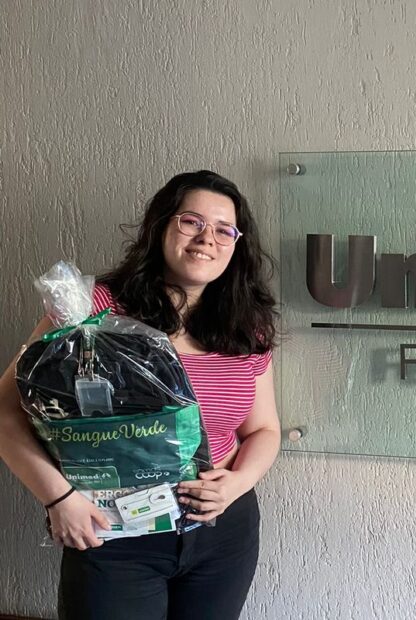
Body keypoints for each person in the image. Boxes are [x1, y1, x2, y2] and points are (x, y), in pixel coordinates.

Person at [0, 170, 281, 619]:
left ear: (236, 244)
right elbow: (6, 412)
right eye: (191, 221)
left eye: (224, 229)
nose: (207, 239)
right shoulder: (89, 308)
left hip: (222, 533)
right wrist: (58, 499)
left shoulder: (248, 325)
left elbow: (264, 429)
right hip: (114, 534)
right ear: (160, 225)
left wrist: (237, 483)